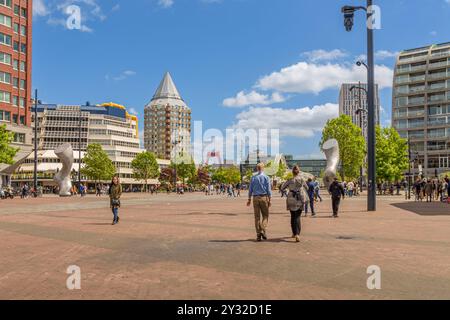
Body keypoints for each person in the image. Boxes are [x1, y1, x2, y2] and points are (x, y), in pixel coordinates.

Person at [280, 166, 309, 242]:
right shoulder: (302, 179)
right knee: (298, 216)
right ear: (298, 172)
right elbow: (307, 187)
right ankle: (297, 234)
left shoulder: (289, 180)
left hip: (291, 198)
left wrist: (288, 190)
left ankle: (294, 233)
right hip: (299, 198)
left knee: (293, 216)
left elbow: (282, 188)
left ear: (292, 172)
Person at [247, 163, 272, 242]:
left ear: (257, 169)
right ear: (263, 168)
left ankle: (258, 234)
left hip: (255, 198)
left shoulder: (253, 177)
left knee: (257, 217)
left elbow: (250, 189)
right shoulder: (266, 177)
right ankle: (263, 229)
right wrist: (270, 199)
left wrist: (249, 199)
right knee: (265, 215)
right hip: (264, 197)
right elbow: (268, 189)